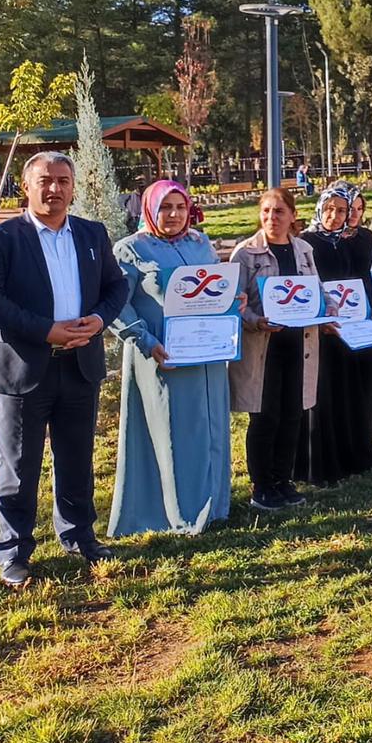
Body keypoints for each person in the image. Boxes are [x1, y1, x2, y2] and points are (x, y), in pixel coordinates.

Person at [0, 150, 128, 588]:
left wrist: (100, 319)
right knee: (19, 466)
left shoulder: (92, 234)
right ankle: (14, 552)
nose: (55, 189)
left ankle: (79, 536)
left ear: (73, 187)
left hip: (80, 365)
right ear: (26, 185)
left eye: (63, 180)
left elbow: (117, 285)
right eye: (45, 180)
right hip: (25, 368)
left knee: (77, 458)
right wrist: (46, 331)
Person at [107, 179, 232, 537]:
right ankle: (175, 512)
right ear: (149, 209)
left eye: (180, 207)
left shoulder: (199, 243)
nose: (174, 214)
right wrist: (144, 340)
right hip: (163, 358)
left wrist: (233, 302)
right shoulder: (131, 250)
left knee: (209, 428)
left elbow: (216, 287)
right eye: (165, 207)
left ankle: (214, 505)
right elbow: (117, 303)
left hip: (207, 358)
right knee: (173, 432)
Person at [229, 187, 323, 512]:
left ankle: (283, 480)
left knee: (292, 414)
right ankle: (262, 486)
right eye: (266, 211)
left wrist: (330, 310)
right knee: (264, 416)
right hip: (263, 349)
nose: (271, 217)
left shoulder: (304, 251)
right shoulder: (245, 254)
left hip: (300, 345)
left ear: (293, 216)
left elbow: (316, 292)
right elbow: (234, 304)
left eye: (279, 211)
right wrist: (256, 321)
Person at [301, 183, 372, 483]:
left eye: (342, 210)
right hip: (325, 331)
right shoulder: (306, 242)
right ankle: (328, 459)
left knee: (359, 392)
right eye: (329, 208)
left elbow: (368, 276)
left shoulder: (357, 239)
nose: (334, 216)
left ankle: (361, 452)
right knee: (327, 393)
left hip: (359, 327)